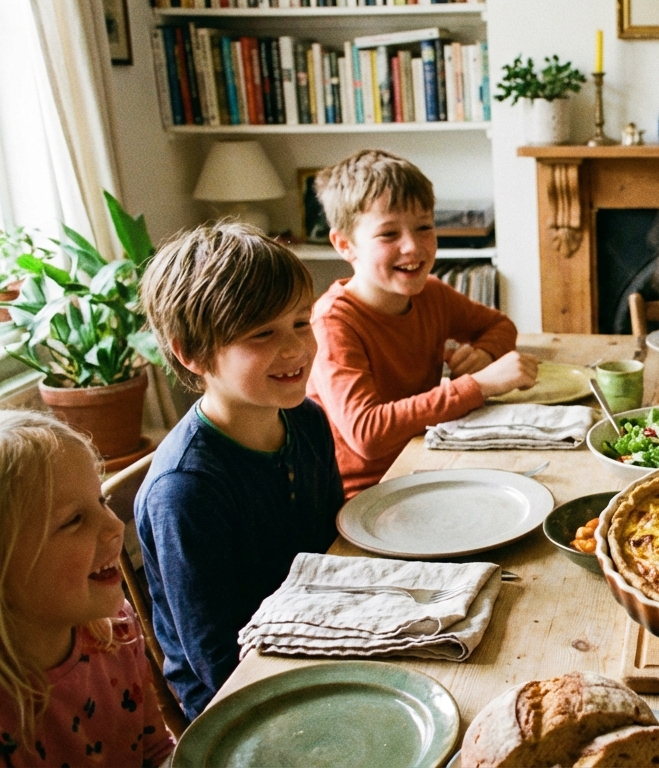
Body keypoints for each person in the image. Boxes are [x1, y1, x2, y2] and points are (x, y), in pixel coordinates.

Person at [136, 224, 343, 719]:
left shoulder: (307, 421)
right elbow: (217, 661)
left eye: (300, 322)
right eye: (262, 333)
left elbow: (336, 555)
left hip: (318, 636)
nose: (294, 348)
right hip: (241, 698)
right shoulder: (185, 490)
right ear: (192, 352)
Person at [306, 149, 537, 498]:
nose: (412, 247)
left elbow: (500, 326)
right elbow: (368, 433)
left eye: (424, 227)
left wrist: (485, 356)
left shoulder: (432, 293)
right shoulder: (333, 323)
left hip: (428, 462)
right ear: (344, 244)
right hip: (368, 495)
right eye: (388, 234)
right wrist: (478, 385)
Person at [0, 411, 174, 766]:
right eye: (73, 520)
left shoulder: (117, 633)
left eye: (102, 501)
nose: (113, 526)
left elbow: (155, 752)